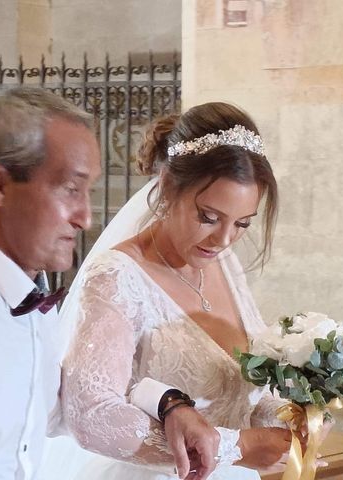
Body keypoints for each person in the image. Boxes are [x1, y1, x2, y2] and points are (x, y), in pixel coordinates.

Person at [0, 87, 219, 480]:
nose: (85, 217)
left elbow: (63, 407)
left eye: (88, 191)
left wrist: (169, 403)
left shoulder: (31, 300)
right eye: (70, 188)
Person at [54, 102, 298, 480]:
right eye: (209, 217)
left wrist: (286, 416)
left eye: (242, 223)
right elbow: (91, 415)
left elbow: (239, 383)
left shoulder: (225, 264)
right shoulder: (117, 277)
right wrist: (238, 446)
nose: (223, 239)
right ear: (168, 187)